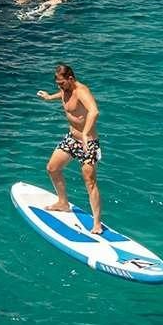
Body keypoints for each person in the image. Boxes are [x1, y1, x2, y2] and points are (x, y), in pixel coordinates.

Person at [36, 62, 103, 233]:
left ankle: (97, 224)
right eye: (57, 84)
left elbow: (94, 111)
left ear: (71, 79)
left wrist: (86, 134)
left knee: (90, 182)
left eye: (62, 83)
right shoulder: (66, 89)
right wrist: (49, 97)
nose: (60, 86)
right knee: (52, 168)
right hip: (71, 139)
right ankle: (63, 203)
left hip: (88, 143)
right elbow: (63, 95)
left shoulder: (82, 91)